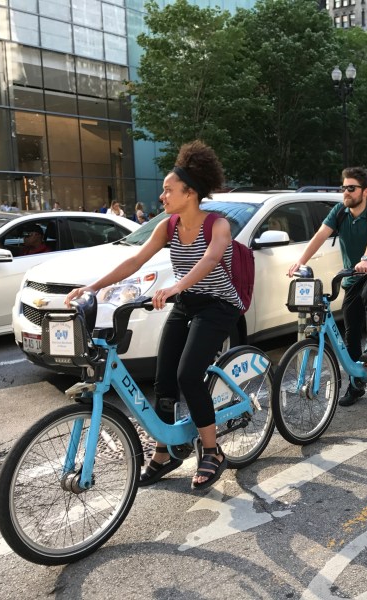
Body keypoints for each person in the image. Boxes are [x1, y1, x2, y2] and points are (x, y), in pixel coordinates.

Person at [66, 140, 239, 491]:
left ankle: (212, 450)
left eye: (168, 190)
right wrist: (91, 288)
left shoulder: (217, 225)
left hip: (219, 305)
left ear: (189, 193)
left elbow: (209, 261)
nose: (162, 196)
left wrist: (177, 286)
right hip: (187, 302)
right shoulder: (168, 225)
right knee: (164, 382)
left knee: (189, 375)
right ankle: (163, 455)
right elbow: (134, 261)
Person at [288, 166, 367, 407]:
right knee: (351, 331)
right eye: (343, 187)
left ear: (364, 191)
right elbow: (320, 236)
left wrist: (366, 259)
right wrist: (300, 262)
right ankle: (356, 383)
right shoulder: (340, 211)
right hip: (351, 276)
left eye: (351, 188)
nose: (345, 192)